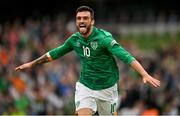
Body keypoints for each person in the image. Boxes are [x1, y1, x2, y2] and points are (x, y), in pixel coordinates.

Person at [15, 6, 160, 116]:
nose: (81, 21)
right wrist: (31, 63)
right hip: (86, 86)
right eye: (79, 18)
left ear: (92, 21)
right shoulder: (75, 39)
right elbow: (54, 54)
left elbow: (126, 56)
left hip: (107, 89)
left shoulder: (104, 38)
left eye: (85, 18)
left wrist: (144, 74)